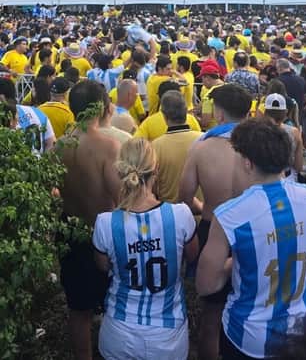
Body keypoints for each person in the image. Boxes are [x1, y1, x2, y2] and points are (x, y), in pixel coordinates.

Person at [196, 117, 306, 359]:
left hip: (246, 337)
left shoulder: (230, 215)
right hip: (298, 332)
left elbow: (205, 284)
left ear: (248, 163)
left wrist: (234, 264)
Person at [92, 137, 197, 360]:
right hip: (169, 337)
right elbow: (192, 255)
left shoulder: (104, 223)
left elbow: (103, 266)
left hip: (118, 333)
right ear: (155, 170)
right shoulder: (180, 215)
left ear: (120, 171)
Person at [177, 83, 252, 360]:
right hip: (251, 230)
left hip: (212, 226)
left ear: (219, 114)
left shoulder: (203, 146)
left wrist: (202, 206)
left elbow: (184, 194)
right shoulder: (258, 147)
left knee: (211, 313)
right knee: (251, 300)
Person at [58, 79, 123, 360]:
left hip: (71, 230)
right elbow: (121, 197)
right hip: (104, 234)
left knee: (78, 307)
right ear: (102, 107)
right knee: (114, 302)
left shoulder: (58, 146)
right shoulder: (108, 146)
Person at [150, 90, 203, 204]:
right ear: (186, 112)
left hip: (170, 215)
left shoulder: (155, 146)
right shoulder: (204, 140)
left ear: (164, 116)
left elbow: (152, 187)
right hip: (201, 212)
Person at [0, 76, 55, 153]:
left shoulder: (4, 116)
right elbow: (51, 144)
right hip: (39, 162)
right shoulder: (37, 112)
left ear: (2, 97)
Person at [262, 91, 305, 179]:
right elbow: (298, 167)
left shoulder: (255, 132)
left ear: (265, 112)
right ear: (285, 112)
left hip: (262, 178)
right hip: (287, 178)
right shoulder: (294, 132)